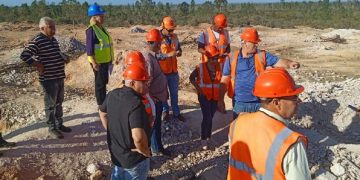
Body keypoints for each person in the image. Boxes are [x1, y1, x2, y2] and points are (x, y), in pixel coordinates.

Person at [227, 68, 311, 180]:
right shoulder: (290, 143)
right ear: (277, 103)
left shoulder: (237, 123)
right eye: (294, 97)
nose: (298, 102)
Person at [218, 27, 300, 119]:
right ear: (244, 43)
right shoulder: (231, 57)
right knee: (240, 129)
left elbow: (278, 61)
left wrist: (290, 63)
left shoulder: (262, 55)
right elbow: (224, 80)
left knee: (259, 130)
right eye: (254, 43)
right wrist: (220, 100)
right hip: (240, 102)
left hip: (259, 101)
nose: (256, 45)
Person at [20, 17, 72, 139]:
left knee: (59, 103)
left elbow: (56, 53)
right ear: (42, 28)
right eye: (51, 27)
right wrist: (38, 64)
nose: (54, 30)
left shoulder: (53, 40)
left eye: (54, 27)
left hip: (59, 76)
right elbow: (24, 55)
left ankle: (59, 125)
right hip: (48, 79)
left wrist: (64, 57)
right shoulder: (37, 40)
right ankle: (52, 129)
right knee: (50, 105)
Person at [98, 64, 151, 180]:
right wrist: (145, 151)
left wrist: (113, 131)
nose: (147, 86)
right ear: (132, 83)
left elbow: (102, 113)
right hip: (134, 160)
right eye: (144, 82)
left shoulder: (112, 94)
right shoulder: (136, 103)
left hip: (117, 155)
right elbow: (138, 137)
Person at [143, 28, 171, 156]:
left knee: (157, 124)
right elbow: (147, 83)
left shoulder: (153, 56)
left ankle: (157, 146)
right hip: (154, 99)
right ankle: (156, 149)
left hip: (158, 97)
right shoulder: (148, 59)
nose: (160, 46)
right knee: (155, 125)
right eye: (158, 44)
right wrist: (151, 98)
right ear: (151, 43)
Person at [190, 45, 222, 150]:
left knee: (211, 117)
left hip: (215, 96)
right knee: (207, 117)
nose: (215, 60)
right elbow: (191, 78)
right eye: (213, 58)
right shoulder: (200, 67)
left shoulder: (220, 67)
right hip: (204, 96)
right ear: (208, 57)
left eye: (216, 58)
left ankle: (208, 136)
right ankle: (203, 139)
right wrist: (199, 90)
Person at [86, 3, 115, 108]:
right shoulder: (91, 30)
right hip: (98, 62)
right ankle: (101, 105)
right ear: (94, 17)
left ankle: (103, 102)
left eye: (103, 16)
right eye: (101, 16)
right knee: (99, 84)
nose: (103, 18)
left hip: (105, 61)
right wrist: (94, 63)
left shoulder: (101, 28)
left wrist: (110, 60)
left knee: (103, 82)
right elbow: (89, 49)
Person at [158, 16, 185, 122]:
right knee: (163, 94)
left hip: (174, 71)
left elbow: (179, 49)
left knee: (174, 94)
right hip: (163, 72)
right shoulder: (157, 38)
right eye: (169, 30)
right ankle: (165, 112)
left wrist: (179, 53)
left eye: (172, 29)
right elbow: (156, 55)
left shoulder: (175, 37)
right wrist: (169, 55)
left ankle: (176, 113)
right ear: (162, 26)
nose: (171, 31)